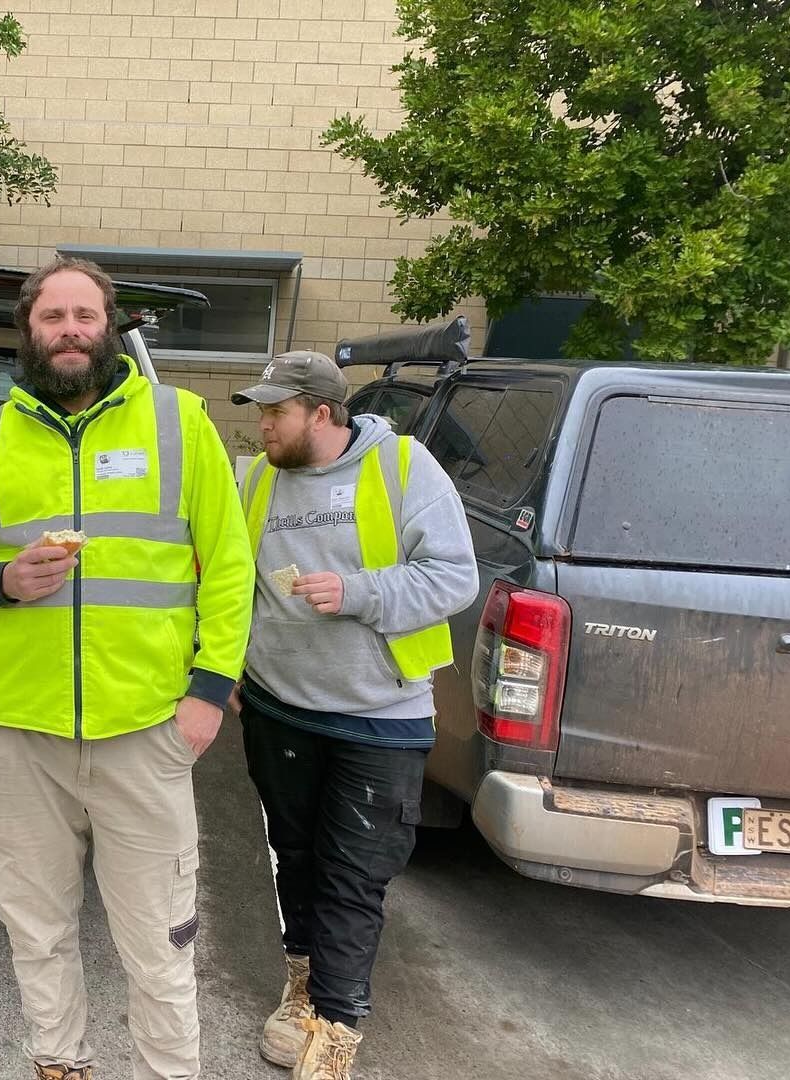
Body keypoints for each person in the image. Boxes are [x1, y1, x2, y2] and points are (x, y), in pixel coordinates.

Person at [0, 257, 255, 1080]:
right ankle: (59, 1064)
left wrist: (209, 692)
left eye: (85, 315)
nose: (70, 330)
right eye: (52, 317)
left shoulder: (180, 422)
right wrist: (1, 580)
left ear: (112, 328)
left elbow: (232, 565)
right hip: (17, 736)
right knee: (36, 930)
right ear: (28, 333)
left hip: (144, 730)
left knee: (159, 944)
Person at [230, 351, 479, 1079]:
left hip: (381, 717)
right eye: (261, 410)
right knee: (295, 855)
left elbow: (454, 577)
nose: (264, 424)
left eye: (276, 411)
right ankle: (302, 987)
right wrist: (228, 668)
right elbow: (231, 582)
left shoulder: (402, 467)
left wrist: (360, 591)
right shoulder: (256, 482)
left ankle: (333, 1029)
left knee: (353, 873)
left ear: (323, 414)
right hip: (278, 709)